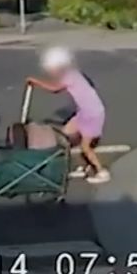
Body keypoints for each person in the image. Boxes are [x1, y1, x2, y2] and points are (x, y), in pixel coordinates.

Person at [26, 46, 111, 184]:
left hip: (93, 113)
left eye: (51, 68)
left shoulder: (69, 76)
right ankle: (85, 166)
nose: (50, 71)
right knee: (66, 134)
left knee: (85, 146)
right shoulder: (72, 73)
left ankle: (101, 172)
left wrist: (35, 82)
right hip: (84, 112)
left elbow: (54, 89)